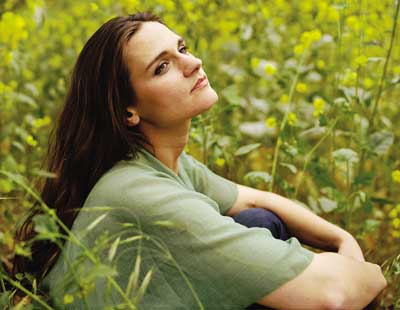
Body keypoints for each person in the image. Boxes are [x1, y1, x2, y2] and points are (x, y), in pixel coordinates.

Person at [11, 12, 387, 309]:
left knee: (260, 221)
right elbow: (332, 296)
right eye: (162, 67)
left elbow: (256, 201)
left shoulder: (159, 159)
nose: (193, 63)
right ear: (129, 111)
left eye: (183, 48)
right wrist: (364, 271)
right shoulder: (139, 192)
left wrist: (342, 239)